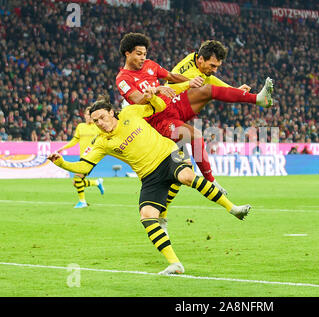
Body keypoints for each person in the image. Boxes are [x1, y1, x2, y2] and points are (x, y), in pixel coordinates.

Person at [47, 94, 251, 275]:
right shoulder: (101, 142)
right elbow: (84, 167)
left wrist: (152, 96)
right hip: (149, 176)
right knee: (147, 215)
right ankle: (175, 264)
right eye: (95, 121)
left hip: (169, 155)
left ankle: (233, 209)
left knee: (186, 176)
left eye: (102, 117)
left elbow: (159, 105)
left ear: (112, 112)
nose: (100, 123)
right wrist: (62, 163)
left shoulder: (130, 113)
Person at [116, 34, 273, 198]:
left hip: (171, 104)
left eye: (144, 54)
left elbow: (171, 76)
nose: (143, 58)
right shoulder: (122, 79)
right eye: (139, 54)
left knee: (206, 90)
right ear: (127, 53)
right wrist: (156, 90)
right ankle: (210, 181)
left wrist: (192, 84)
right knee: (194, 138)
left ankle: (258, 99)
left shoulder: (150, 65)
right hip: (157, 121)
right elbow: (138, 99)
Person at [55, 106, 104, 208]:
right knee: (76, 182)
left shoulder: (97, 127)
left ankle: (82, 202)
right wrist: (63, 148)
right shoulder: (80, 126)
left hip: (92, 157)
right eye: (87, 114)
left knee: (77, 177)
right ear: (84, 115)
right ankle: (96, 182)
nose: (89, 117)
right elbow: (74, 140)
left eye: (91, 115)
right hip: (83, 157)